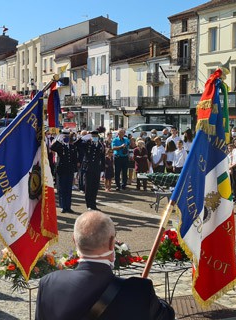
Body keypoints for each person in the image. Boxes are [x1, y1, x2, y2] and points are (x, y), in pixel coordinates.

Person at [35, 210, 175, 320]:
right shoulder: (139, 290)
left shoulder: (48, 284)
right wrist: (149, 299)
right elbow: (167, 316)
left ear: (74, 240)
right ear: (112, 243)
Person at [50, 130, 79, 213]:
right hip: (61, 170)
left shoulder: (72, 147)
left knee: (68, 189)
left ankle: (68, 206)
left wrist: (75, 171)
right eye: (64, 136)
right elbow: (52, 148)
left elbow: (74, 159)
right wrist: (58, 140)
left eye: (67, 136)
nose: (66, 137)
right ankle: (63, 206)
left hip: (69, 170)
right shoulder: (60, 146)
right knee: (61, 189)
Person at [81, 130, 105, 210]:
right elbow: (77, 144)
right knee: (88, 187)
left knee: (95, 187)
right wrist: (84, 137)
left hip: (96, 168)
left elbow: (102, 157)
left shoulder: (100, 144)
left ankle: (93, 205)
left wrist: (102, 169)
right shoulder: (87, 144)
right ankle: (89, 205)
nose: (95, 138)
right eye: (93, 136)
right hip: (88, 168)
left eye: (96, 136)